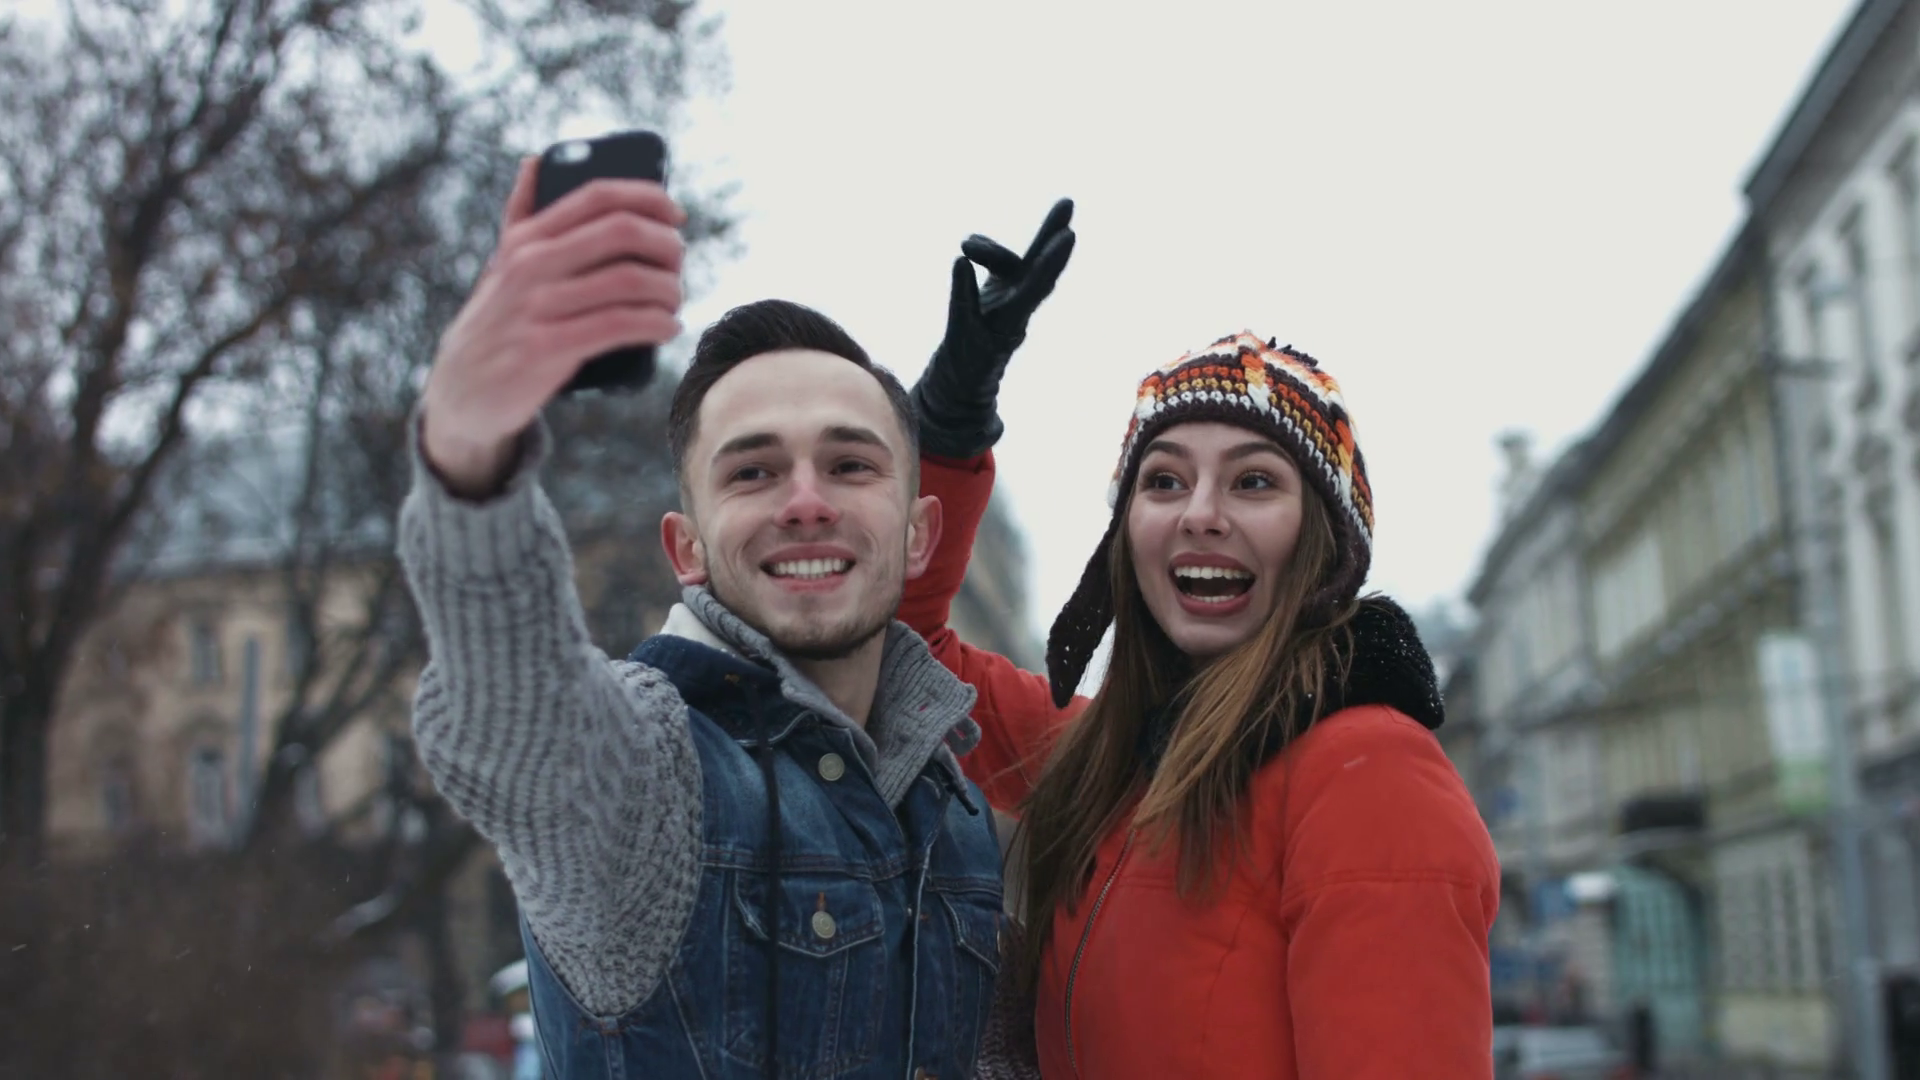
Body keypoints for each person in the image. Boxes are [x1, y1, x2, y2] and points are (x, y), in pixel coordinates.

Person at [398, 155, 1074, 1079]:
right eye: (753, 471)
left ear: (920, 534)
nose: (806, 502)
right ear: (686, 548)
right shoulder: (649, 767)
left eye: (850, 465)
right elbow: (512, 708)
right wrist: (471, 456)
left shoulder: (951, 802)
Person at [898, 332, 1502, 1078]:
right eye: (1164, 481)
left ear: (1322, 539)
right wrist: (949, 430)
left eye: (1253, 481)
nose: (1201, 514)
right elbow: (908, 656)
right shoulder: (1108, 761)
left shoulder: (1370, 775)